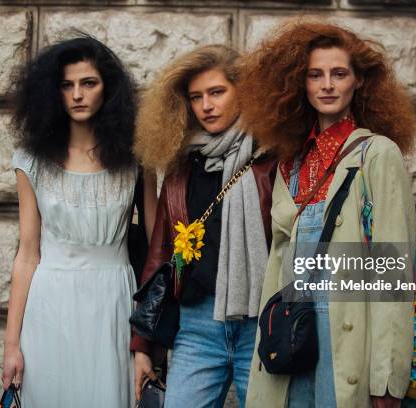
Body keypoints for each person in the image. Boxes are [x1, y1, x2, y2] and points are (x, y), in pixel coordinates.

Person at [239, 21, 416, 408]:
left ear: (359, 82)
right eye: (314, 75)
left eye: (339, 74)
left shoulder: (378, 154)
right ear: (298, 84)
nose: (327, 85)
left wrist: (386, 379)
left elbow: (393, 273)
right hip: (293, 332)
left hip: (348, 339)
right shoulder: (292, 161)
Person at [131, 44, 277, 408]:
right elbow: (161, 254)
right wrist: (143, 346)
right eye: (196, 97)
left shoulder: (272, 159)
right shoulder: (184, 166)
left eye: (216, 92)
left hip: (259, 325)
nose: (206, 106)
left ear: (242, 91)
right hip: (197, 326)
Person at [1, 36, 143, 407]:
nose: (77, 94)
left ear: (108, 90)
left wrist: (149, 344)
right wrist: (11, 346)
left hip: (115, 302)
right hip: (51, 305)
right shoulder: (30, 161)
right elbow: (27, 255)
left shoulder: (137, 159)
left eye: (89, 83)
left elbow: (156, 255)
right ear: (52, 92)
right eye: (67, 85)